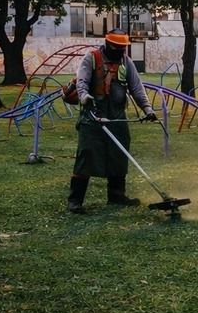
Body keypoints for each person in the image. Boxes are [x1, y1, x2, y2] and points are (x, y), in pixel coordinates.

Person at [63, 29, 157, 214]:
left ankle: (116, 196)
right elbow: (82, 81)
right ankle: (75, 201)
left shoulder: (125, 61)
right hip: (93, 116)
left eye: (123, 48)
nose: (120, 51)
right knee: (86, 156)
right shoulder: (92, 58)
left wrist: (148, 109)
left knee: (119, 156)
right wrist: (84, 97)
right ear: (107, 44)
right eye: (117, 47)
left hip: (117, 116)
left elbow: (136, 88)